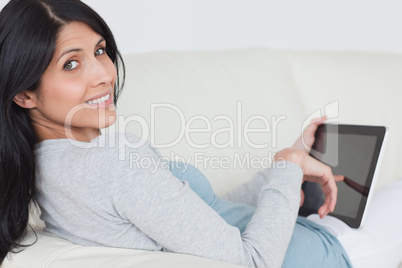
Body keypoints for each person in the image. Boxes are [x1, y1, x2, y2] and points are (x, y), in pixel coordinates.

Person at [0, 1, 401, 267]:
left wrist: (285, 170)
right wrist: (287, 168)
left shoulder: (47, 170)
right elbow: (253, 261)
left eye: (100, 51)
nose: (104, 75)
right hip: (328, 254)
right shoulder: (113, 162)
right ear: (23, 92)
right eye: (72, 64)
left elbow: (207, 216)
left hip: (305, 235)